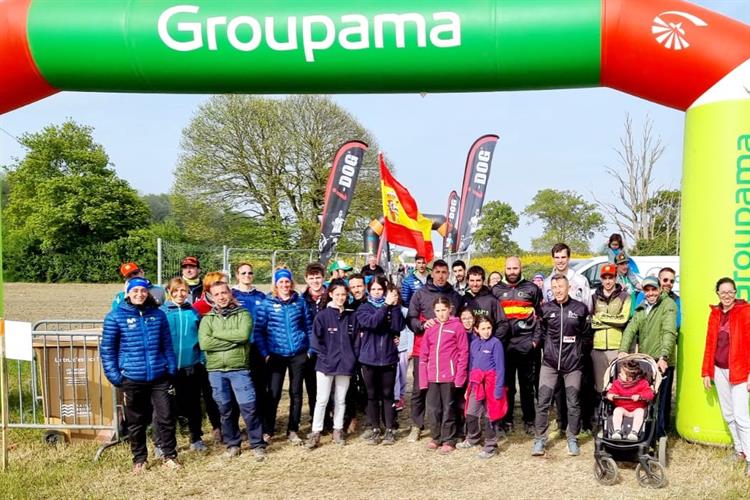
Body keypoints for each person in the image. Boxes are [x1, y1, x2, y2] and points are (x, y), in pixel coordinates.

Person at [101, 277, 179, 473]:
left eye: (143, 291)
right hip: (132, 378)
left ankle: (169, 455)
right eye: (135, 291)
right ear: (127, 293)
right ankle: (140, 459)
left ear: (148, 293)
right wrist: (116, 376)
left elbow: (167, 345)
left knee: (166, 417)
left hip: (159, 376)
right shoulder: (115, 317)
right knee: (136, 422)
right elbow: (107, 350)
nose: (139, 294)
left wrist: (170, 368)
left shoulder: (158, 315)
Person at [199, 281, 266, 460]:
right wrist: (232, 341)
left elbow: (243, 335)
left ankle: (257, 443)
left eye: (224, 293)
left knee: (249, 407)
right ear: (212, 297)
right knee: (225, 409)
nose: (221, 297)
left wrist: (217, 336)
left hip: (239, 369)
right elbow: (205, 343)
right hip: (216, 371)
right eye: (217, 294)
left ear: (230, 293)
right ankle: (232, 444)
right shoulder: (207, 319)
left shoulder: (243, 314)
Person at [531, 274, 590, 457]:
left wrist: (579, 355)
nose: (557, 290)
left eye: (561, 287)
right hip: (549, 363)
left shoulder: (580, 309)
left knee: (573, 403)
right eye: (554, 287)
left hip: (572, 365)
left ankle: (572, 437)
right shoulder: (546, 309)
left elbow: (587, 336)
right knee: (542, 402)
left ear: (568, 287)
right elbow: (541, 332)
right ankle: (540, 439)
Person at [406, 259, 462, 442]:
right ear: (432, 273)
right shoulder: (421, 294)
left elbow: (460, 321)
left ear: (449, 274)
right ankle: (417, 425)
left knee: (448, 394)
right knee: (419, 389)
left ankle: (450, 428)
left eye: (444, 272)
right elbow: (411, 318)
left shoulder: (454, 296)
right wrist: (422, 324)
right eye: (437, 272)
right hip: (423, 349)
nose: (440, 276)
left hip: (447, 355)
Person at [255, 268, 312, 445]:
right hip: (276, 355)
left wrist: (309, 351)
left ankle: (293, 429)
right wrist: (265, 354)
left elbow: (309, 327)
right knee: (274, 393)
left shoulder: (300, 302)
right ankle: (268, 429)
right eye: (281, 282)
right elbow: (259, 331)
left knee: (296, 393)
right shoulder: (267, 303)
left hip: (298, 354)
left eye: (287, 281)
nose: (285, 285)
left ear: (291, 283)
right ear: (276, 284)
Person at [619, 275, 677, 438]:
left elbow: (669, 331)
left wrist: (664, 356)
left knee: (660, 402)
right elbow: (631, 328)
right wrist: (623, 350)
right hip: (646, 360)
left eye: (654, 289)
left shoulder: (668, 305)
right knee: (645, 398)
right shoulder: (642, 307)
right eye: (647, 290)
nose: (651, 293)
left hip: (661, 360)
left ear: (659, 289)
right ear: (643, 291)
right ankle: (643, 432)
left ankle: (658, 436)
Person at [702, 277, 750, 474]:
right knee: (728, 414)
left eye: (731, 291)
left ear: (736, 292)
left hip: (739, 371)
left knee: (741, 417)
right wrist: (706, 371)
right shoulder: (714, 314)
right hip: (719, 370)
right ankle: (740, 451)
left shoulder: (745, 312)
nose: (727, 295)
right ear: (718, 294)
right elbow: (709, 343)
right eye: (723, 292)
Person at [492, 256, 543, 435]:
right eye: (509, 268)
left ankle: (529, 420)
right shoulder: (496, 290)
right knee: (507, 385)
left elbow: (539, 318)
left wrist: (535, 341)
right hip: (504, 345)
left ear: (520, 268)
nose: (512, 272)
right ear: (504, 269)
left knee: (527, 385)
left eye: (515, 268)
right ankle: (507, 419)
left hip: (525, 344)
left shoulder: (532, 289)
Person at [306, 280, 358, 448]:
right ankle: (316, 431)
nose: (341, 298)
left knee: (340, 399)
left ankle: (338, 429)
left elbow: (356, 341)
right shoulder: (322, 316)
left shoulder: (352, 316)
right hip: (325, 365)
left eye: (343, 295)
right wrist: (325, 357)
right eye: (337, 295)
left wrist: (352, 358)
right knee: (322, 399)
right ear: (330, 295)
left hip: (345, 365)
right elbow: (316, 341)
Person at [355, 276, 404, 445]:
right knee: (372, 395)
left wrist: (395, 305)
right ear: (369, 290)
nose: (377, 292)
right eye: (374, 289)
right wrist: (385, 306)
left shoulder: (391, 306)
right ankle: (375, 428)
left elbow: (398, 327)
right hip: (369, 359)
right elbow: (372, 323)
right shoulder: (363, 308)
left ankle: (390, 429)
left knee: (388, 395)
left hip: (388, 357)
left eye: (380, 289)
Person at [160, 277, 206, 452]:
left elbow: (202, 338)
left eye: (183, 290)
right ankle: (161, 442)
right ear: (169, 292)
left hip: (191, 366)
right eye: (176, 290)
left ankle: (196, 438)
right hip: (168, 368)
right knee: (165, 408)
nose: (180, 294)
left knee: (193, 404)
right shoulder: (162, 313)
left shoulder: (193, 312)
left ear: (188, 292)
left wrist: (201, 359)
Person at [419, 297, 469, 454]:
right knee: (433, 408)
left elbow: (463, 352)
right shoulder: (430, 328)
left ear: (450, 309)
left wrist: (460, 376)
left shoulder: (457, 327)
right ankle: (436, 436)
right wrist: (422, 379)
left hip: (450, 376)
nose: (441, 314)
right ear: (434, 311)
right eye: (438, 311)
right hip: (432, 376)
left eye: (444, 310)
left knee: (448, 408)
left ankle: (449, 439)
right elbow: (424, 355)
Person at [456, 315, 506, 459]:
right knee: (471, 412)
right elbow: (472, 366)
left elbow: (500, 368)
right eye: (483, 329)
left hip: (491, 383)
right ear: (476, 329)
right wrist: (469, 386)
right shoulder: (474, 344)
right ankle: (473, 438)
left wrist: (498, 390)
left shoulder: (496, 343)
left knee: (490, 416)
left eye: (489, 328)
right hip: (476, 383)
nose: (486, 331)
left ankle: (490, 445)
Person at [232, 262, 270, 440]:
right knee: (237, 390)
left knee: (260, 388)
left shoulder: (261, 296)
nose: (247, 275)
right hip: (238, 349)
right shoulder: (232, 295)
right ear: (237, 275)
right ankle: (235, 429)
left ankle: (261, 426)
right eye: (243, 273)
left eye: (250, 272)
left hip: (258, 348)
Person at [590, 264, 632, 395]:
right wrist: (613, 321)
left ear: (616, 278)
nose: (608, 281)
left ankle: (616, 413)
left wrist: (601, 316)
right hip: (598, 348)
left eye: (611, 277)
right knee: (600, 385)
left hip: (617, 347)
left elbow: (623, 319)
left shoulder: (625, 296)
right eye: (605, 278)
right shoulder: (594, 297)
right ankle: (601, 414)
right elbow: (592, 322)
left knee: (619, 384)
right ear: (601, 279)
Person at [302, 262, 327, 426]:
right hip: (310, 349)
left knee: (329, 386)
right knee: (312, 386)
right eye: (311, 278)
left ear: (323, 278)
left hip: (330, 347)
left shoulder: (332, 296)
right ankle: (316, 417)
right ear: (306, 279)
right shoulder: (301, 300)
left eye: (318, 277)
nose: (315, 281)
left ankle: (332, 419)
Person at [606, 359, 654, 441]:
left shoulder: (643, 383)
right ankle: (617, 431)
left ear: (629, 379)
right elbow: (612, 391)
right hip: (623, 408)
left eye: (621, 374)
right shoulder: (617, 383)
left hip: (637, 409)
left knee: (640, 412)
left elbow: (650, 394)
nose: (619, 375)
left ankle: (634, 432)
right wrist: (610, 395)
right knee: (617, 410)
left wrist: (640, 396)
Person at [462, 265, 510, 342]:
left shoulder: (491, 300)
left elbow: (503, 324)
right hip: (467, 344)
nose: (475, 284)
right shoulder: (463, 300)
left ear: (483, 281)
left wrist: (492, 341)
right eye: (472, 280)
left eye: (478, 280)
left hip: (487, 346)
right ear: (467, 281)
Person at [543, 243, 591, 309]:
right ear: (553, 259)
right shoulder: (546, 283)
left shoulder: (581, 281)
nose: (560, 261)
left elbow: (589, 308)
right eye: (557, 257)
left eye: (563, 257)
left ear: (568, 258)